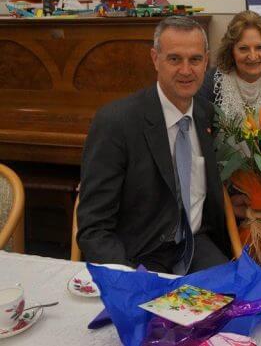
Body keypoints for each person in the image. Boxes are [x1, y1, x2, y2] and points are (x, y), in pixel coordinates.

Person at [77, 16, 230, 275]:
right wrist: (129, 277)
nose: (186, 70)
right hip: (139, 255)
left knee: (236, 307)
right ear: (155, 59)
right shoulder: (116, 122)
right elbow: (94, 227)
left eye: (194, 59)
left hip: (197, 245)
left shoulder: (206, 114)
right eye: (174, 59)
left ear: (206, 61)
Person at [198, 10, 261, 121]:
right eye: (243, 49)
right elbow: (204, 133)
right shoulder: (212, 81)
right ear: (231, 51)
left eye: (260, 47)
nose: (253, 57)